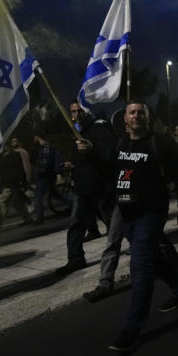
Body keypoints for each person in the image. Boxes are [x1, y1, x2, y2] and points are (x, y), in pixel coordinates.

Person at [98, 101, 178, 353]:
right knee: (153, 257)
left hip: (151, 214)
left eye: (141, 112)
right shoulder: (119, 145)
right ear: (125, 119)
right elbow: (107, 173)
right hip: (126, 214)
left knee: (139, 266)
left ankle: (131, 329)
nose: (137, 115)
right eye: (132, 112)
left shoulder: (160, 143)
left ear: (147, 118)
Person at [55, 101, 115, 275]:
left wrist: (92, 149)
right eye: (73, 111)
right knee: (76, 223)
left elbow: (108, 154)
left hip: (99, 186)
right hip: (83, 187)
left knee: (115, 222)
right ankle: (75, 259)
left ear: (86, 112)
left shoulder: (98, 128)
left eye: (79, 110)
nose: (76, 114)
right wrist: (71, 165)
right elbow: (79, 159)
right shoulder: (77, 132)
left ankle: (140, 244)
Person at [31, 131, 67, 224]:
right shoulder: (44, 147)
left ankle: (39, 218)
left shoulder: (46, 147)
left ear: (37, 137)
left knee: (38, 196)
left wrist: (37, 166)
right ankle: (73, 204)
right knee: (55, 194)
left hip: (44, 176)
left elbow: (46, 163)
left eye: (34, 137)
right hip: (47, 175)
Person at [0, 143, 33, 227]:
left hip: (11, 183)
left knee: (3, 203)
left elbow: (20, 169)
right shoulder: (1, 157)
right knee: (17, 202)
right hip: (7, 183)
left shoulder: (15, 155)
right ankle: (27, 218)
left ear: (6, 146)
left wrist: (23, 182)